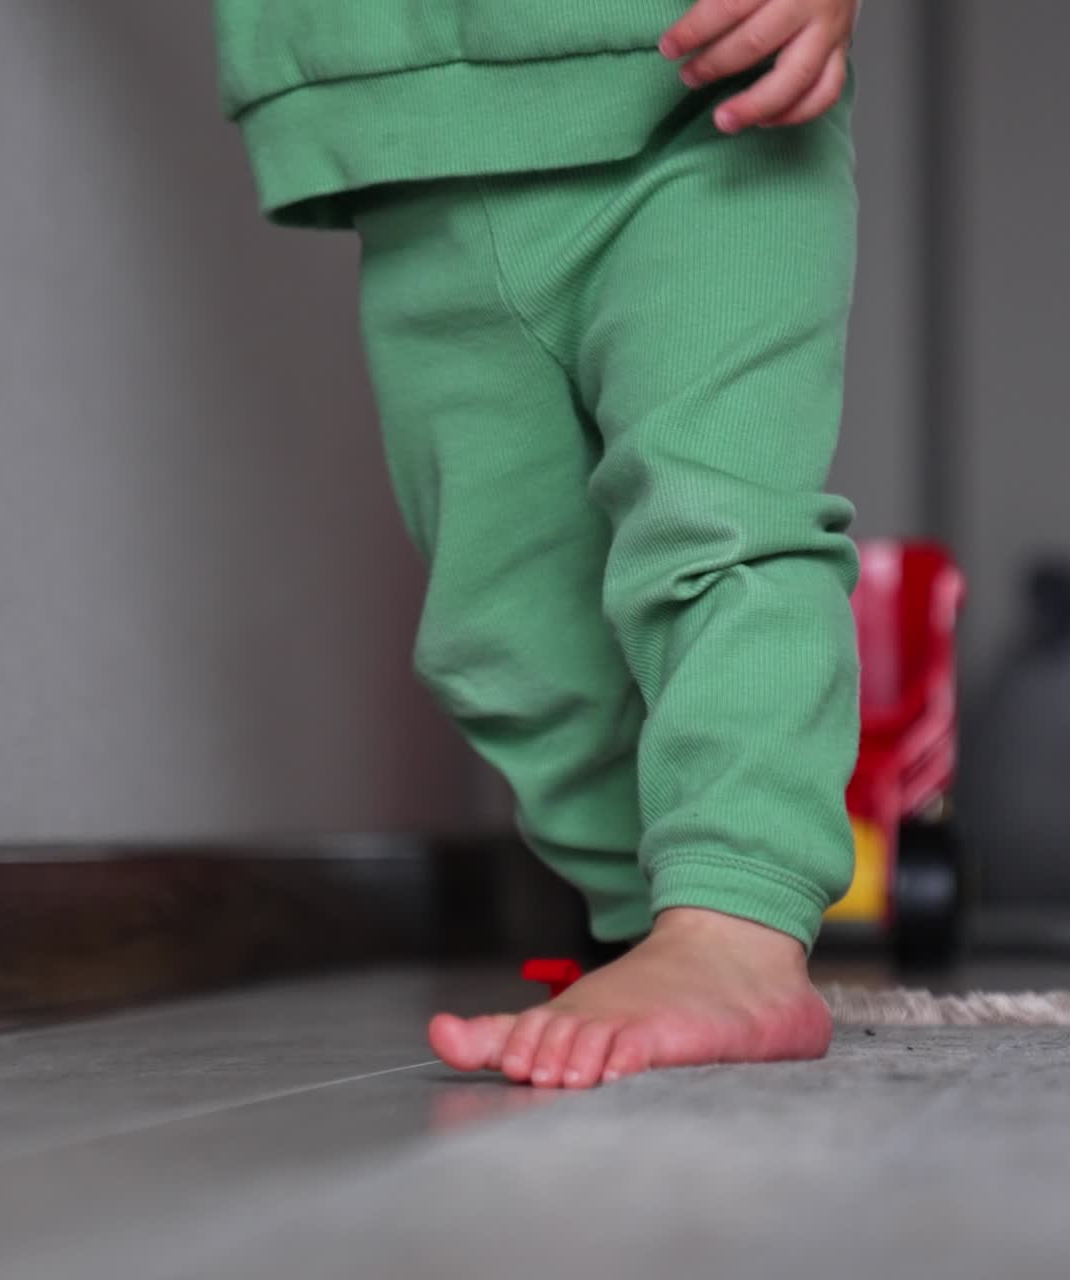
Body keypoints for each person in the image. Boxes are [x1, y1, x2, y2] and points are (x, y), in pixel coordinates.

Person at [215, 0, 864, 1087]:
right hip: (395, 112)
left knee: (719, 528)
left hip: (697, 83)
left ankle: (732, 924)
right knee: (503, 628)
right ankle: (636, 925)